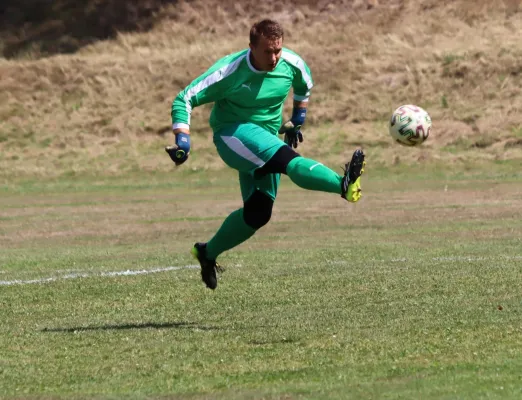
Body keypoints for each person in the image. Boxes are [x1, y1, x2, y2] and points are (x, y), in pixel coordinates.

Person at [166, 19, 365, 290]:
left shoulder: (291, 64)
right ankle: (342, 185)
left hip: (266, 138)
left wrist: (297, 119)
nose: (273, 58)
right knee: (288, 161)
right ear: (251, 48)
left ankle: (207, 253)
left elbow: (304, 86)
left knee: (259, 213)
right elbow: (185, 98)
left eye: (278, 51)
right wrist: (183, 140)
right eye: (267, 52)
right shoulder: (230, 71)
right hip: (232, 134)